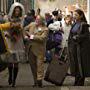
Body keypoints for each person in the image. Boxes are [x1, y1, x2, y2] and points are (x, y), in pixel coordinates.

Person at [4, 2, 25, 87]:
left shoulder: (21, 19)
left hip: (18, 41)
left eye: (18, 11)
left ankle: (14, 81)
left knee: (16, 62)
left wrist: (19, 31)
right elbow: (5, 28)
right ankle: (10, 76)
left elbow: (21, 29)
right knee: (10, 61)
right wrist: (8, 34)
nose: (17, 12)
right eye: (15, 11)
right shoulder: (8, 18)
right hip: (10, 41)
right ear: (12, 11)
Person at [24, 17, 48, 87]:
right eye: (36, 19)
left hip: (39, 50)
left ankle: (39, 80)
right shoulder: (32, 24)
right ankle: (35, 81)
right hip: (30, 49)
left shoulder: (45, 29)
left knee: (39, 66)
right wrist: (25, 36)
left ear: (42, 21)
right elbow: (24, 29)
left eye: (38, 20)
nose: (36, 21)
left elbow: (42, 38)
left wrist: (31, 36)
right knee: (33, 66)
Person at [68, 9, 90, 86]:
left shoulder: (84, 25)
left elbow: (87, 36)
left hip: (81, 49)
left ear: (81, 16)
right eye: (74, 15)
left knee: (81, 65)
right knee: (75, 64)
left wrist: (77, 37)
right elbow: (71, 34)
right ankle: (76, 79)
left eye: (76, 15)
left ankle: (80, 81)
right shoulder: (74, 24)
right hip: (74, 48)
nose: (74, 16)